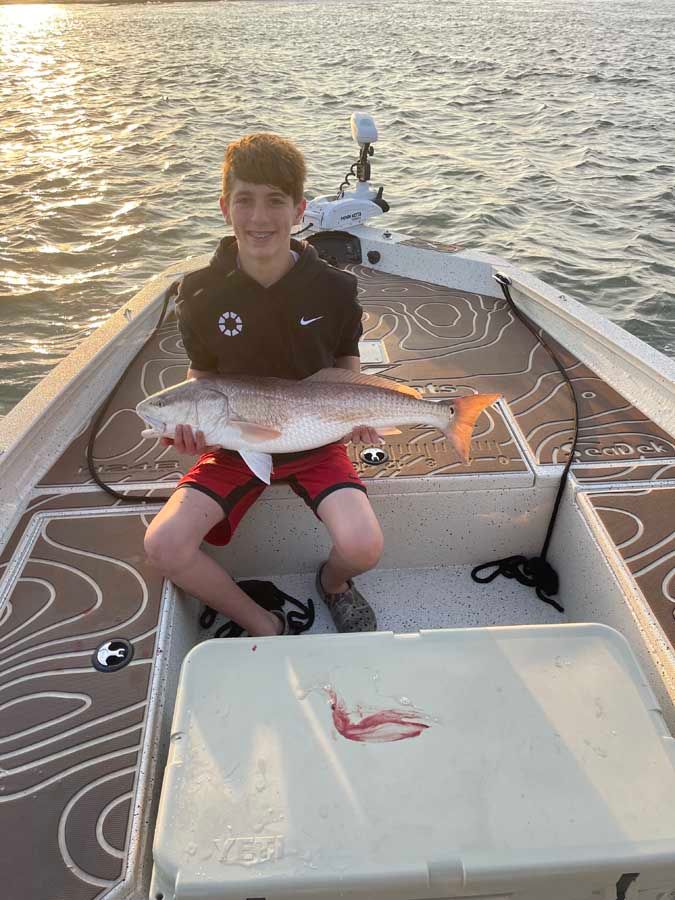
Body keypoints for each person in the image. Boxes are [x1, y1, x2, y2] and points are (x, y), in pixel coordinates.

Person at [144, 132, 384, 637]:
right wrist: (194, 427)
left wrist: (357, 414)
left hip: (317, 440)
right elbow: (202, 376)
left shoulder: (336, 288)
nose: (258, 217)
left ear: (299, 211)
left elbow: (346, 360)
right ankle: (264, 624)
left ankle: (335, 584)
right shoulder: (200, 293)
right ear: (224, 207)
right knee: (162, 545)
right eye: (244, 200)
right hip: (232, 445)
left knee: (364, 546)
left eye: (275, 201)